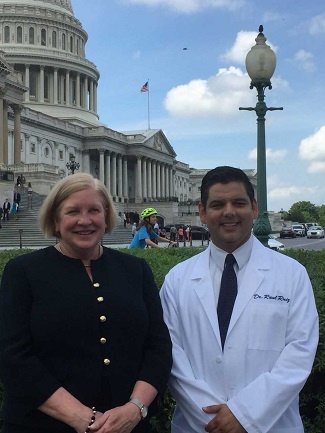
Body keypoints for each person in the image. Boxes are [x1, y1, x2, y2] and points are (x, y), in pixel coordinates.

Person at [0, 173, 172, 433]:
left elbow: (158, 346)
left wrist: (135, 408)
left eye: (94, 210)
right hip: (42, 426)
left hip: (128, 426)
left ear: (106, 217)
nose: (85, 220)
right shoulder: (23, 272)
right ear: (56, 219)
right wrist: (83, 418)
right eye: (73, 211)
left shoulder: (135, 269)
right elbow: (14, 356)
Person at [160, 166, 319, 433]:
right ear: (202, 212)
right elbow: (171, 357)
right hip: (199, 425)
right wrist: (217, 423)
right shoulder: (177, 280)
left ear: (254, 208)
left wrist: (246, 416)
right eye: (218, 204)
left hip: (273, 426)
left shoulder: (292, 275)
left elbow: (300, 353)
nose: (229, 212)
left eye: (239, 203)